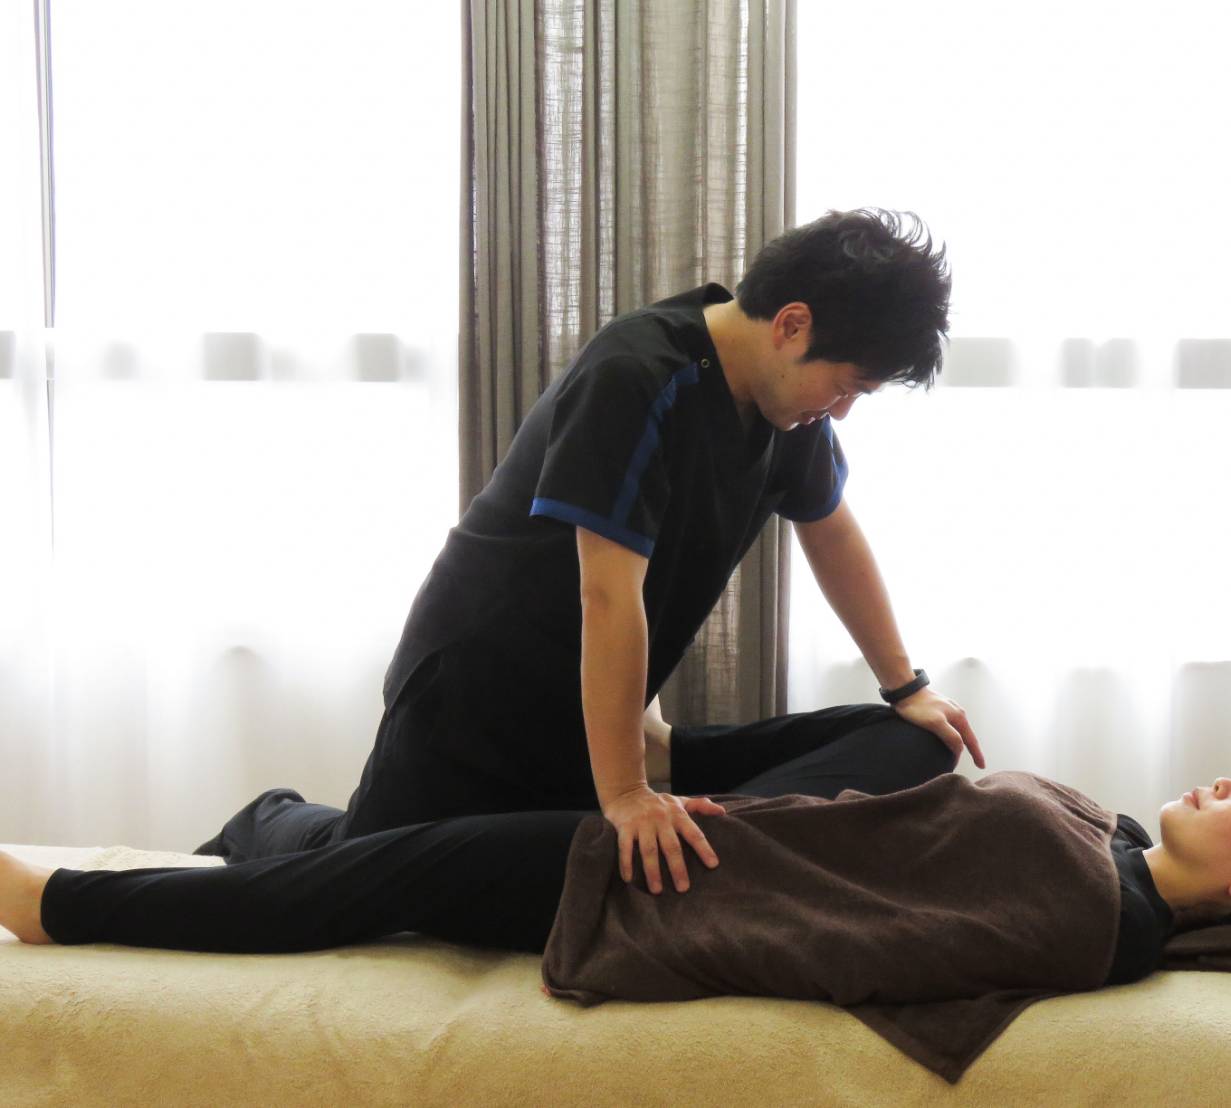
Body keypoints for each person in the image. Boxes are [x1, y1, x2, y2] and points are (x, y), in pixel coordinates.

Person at [198, 208, 985, 898]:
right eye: (847, 386)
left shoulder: (785, 411)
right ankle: (266, 817)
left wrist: (906, 688)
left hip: (588, 712)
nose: (841, 411)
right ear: (791, 325)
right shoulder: (638, 374)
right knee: (354, 869)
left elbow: (831, 530)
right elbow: (607, 594)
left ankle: (715, 831)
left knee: (917, 738)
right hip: (471, 700)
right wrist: (626, 794)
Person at [0, 775, 1231, 999]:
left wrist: (682, 933)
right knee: (379, 851)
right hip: (692, 844)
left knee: (369, 884)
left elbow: (879, 946)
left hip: (661, 884)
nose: (1221, 787)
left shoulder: (1099, 915)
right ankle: (265, 822)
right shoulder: (1114, 855)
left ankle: (55, 905)